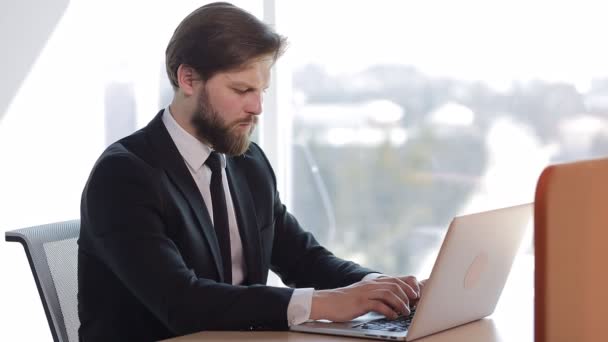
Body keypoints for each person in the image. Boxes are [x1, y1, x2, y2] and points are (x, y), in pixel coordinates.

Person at [77, 2, 422, 341]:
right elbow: (181, 302)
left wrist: (377, 287)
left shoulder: (248, 162)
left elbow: (303, 258)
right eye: (242, 90)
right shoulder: (124, 175)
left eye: (261, 91)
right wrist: (323, 303)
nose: (256, 107)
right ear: (188, 79)